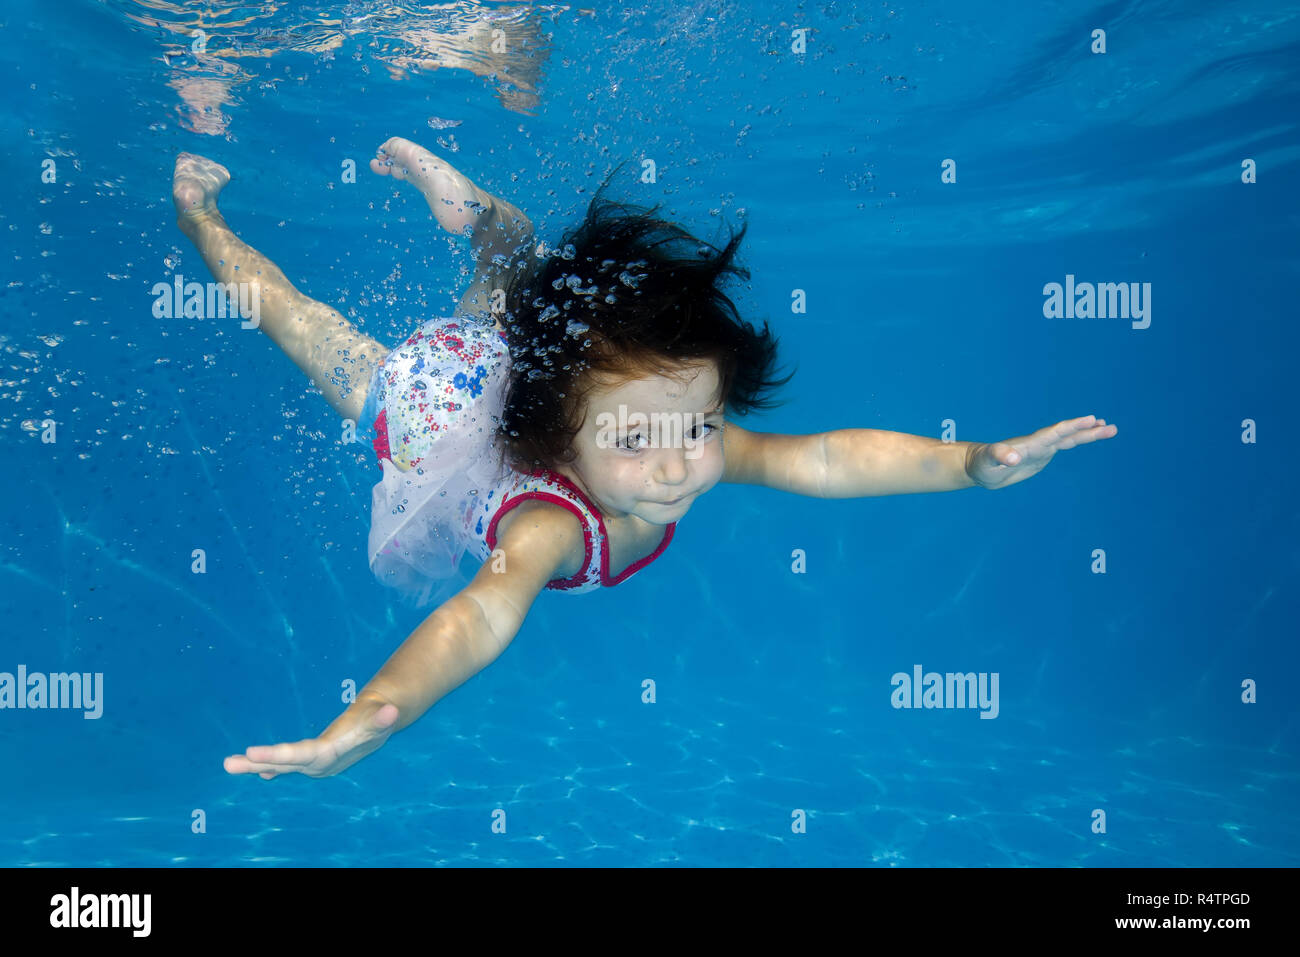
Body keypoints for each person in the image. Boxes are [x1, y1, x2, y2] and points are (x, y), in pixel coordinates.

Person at [171, 138, 1118, 780]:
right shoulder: (547, 523)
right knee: (299, 326)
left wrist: (971, 465)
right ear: (563, 444)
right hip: (426, 410)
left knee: (516, 271)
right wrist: (373, 715)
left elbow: (826, 459)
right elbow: (476, 619)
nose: (677, 466)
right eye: (637, 442)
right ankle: (202, 220)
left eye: (700, 426)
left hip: (525, 374)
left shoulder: (674, 435)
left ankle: (470, 209)